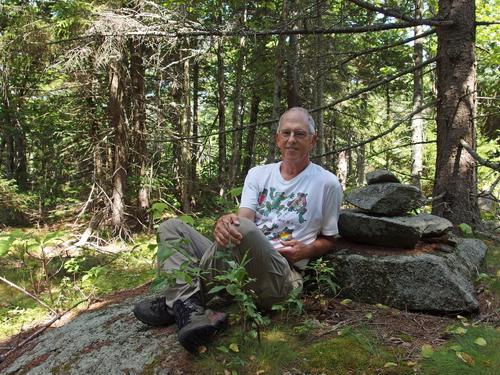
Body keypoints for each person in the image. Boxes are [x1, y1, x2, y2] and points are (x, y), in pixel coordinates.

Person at [133, 107, 343, 353]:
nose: (291, 140)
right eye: (285, 133)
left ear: (313, 140)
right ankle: (188, 310)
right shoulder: (258, 174)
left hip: (281, 273)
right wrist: (224, 223)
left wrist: (306, 250)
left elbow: (330, 239)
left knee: (241, 229)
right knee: (172, 227)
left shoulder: (326, 183)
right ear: (277, 138)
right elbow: (243, 221)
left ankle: (178, 301)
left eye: (300, 134)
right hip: (239, 264)